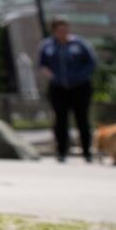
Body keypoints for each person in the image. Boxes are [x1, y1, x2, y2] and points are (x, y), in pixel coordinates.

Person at [38, 18, 98, 163]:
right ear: (54, 31)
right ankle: (62, 152)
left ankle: (87, 152)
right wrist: (53, 77)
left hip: (80, 87)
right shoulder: (47, 46)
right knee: (60, 121)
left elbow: (92, 63)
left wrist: (80, 77)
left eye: (65, 29)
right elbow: (42, 65)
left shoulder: (80, 44)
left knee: (82, 119)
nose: (63, 32)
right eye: (59, 30)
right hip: (58, 88)